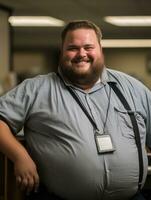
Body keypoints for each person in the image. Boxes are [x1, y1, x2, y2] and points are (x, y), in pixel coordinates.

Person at [0, 20, 151, 200]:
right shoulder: (36, 89)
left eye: (88, 47)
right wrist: (19, 156)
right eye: (73, 48)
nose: (81, 54)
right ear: (62, 51)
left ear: (100, 49)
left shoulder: (133, 88)